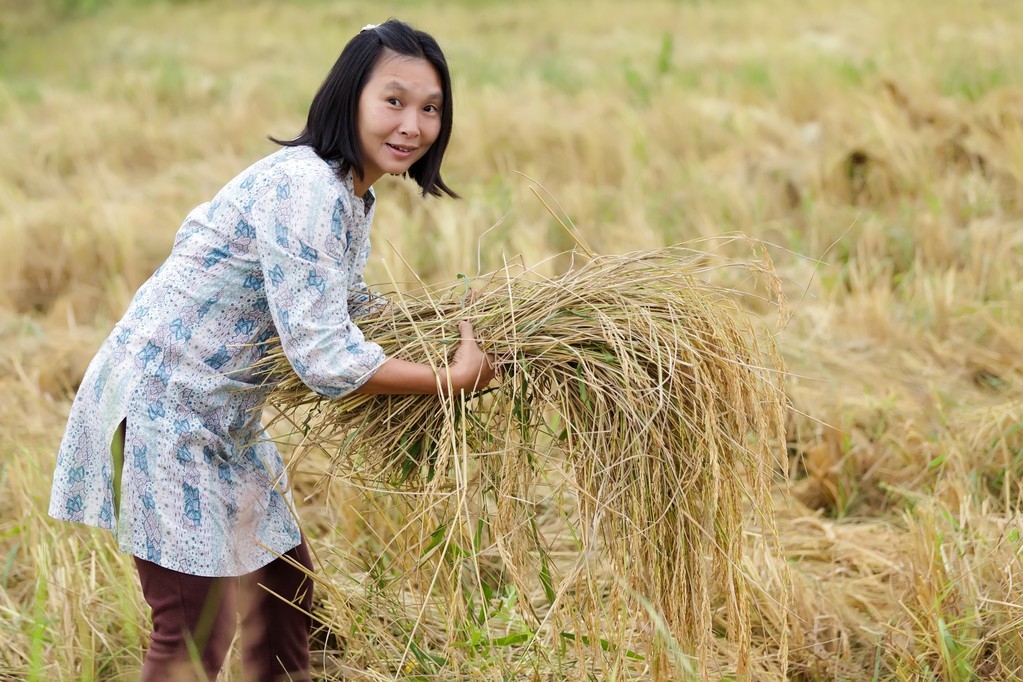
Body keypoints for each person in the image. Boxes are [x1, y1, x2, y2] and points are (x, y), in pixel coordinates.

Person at [48, 18, 495, 681]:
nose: (413, 124)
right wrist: (445, 378)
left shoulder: (349, 193)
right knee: (196, 626)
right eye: (393, 101)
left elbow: (338, 301)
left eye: (431, 109)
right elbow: (323, 356)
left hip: (222, 420)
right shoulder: (307, 188)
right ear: (348, 98)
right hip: (164, 410)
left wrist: (440, 324)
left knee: (284, 599)